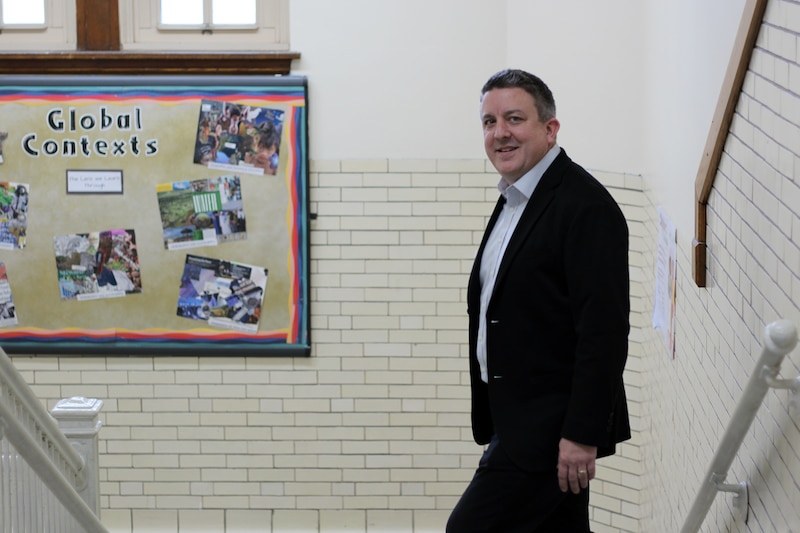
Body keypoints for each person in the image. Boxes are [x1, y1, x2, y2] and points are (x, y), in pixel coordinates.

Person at [446, 69, 631, 532]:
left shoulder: (585, 208)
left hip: (549, 431)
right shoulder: (517, 197)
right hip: (515, 418)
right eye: (489, 122)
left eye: (514, 119)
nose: (499, 133)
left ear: (550, 129)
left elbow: (604, 334)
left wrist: (581, 435)